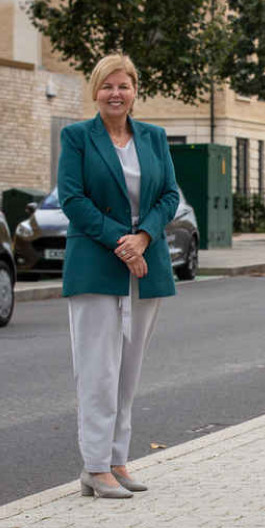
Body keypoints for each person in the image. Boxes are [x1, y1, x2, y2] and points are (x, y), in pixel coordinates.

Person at [58, 54, 179, 499]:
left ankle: (117, 459)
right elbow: (72, 199)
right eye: (107, 86)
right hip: (96, 265)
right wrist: (120, 242)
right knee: (97, 370)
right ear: (95, 91)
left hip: (146, 265)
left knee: (128, 370)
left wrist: (143, 238)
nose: (116, 93)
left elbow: (168, 194)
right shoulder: (77, 138)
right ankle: (93, 466)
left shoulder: (154, 137)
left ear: (134, 91)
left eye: (123, 86)